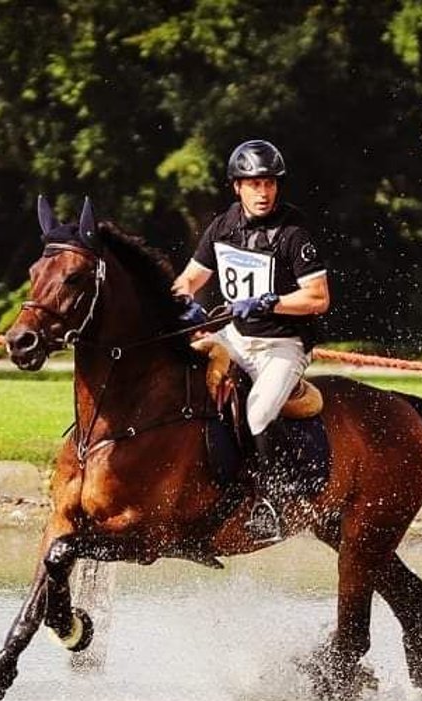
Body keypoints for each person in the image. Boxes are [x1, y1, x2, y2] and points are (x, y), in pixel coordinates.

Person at [171, 139, 331, 542]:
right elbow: (190, 278)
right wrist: (184, 301)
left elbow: (318, 298)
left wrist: (269, 301)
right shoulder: (224, 225)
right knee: (179, 374)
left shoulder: (294, 232)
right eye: (254, 184)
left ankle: (272, 500)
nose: (263, 192)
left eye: (269, 184)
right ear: (236, 187)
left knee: (259, 411)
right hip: (235, 338)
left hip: (283, 345)